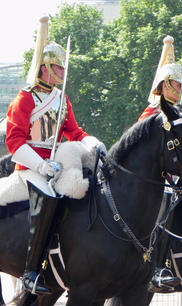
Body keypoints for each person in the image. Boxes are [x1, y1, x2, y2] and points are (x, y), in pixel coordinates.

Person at [2, 16, 105, 295]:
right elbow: (15, 141)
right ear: (44, 67)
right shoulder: (24, 99)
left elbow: (74, 131)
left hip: (59, 164)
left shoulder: (62, 99)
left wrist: (95, 143)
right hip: (31, 167)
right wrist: (40, 164)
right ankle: (32, 270)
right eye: (57, 66)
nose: (62, 70)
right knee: (47, 196)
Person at [138, 35, 182, 292]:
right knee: (168, 201)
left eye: (180, 83)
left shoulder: (179, 113)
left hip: (177, 173)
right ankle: (158, 265)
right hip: (156, 177)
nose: (179, 88)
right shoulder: (151, 112)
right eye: (175, 83)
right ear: (164, 85)